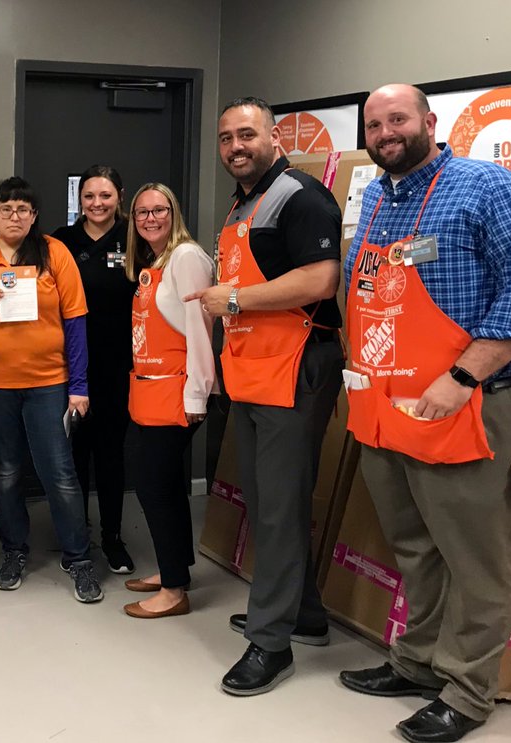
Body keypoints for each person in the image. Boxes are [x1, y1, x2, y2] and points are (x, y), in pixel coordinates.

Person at [338, 84, 511, 743]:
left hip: (474, 402)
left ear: (430, 120)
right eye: (375, 123)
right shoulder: (376, 200)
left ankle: (469, 691)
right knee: (415, 547)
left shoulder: (487, 186)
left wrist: (460, 376)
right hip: (388, 409)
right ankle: (416, 661)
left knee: (480, 560)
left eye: (398, 118)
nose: (386, 131)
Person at [186, 96, 343, 695]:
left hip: (295, 367)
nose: (235, 147)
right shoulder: (242, 204)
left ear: (274, 137)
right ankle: (301, 613)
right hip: (254, 371)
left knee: (277, 506)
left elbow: (321, 279)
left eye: (246, 135)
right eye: (226, 138)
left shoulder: (300, 197)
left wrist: (234, 300)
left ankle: (270, 643)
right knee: (269, 499)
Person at [0, 176, 102, 603]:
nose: (14, 216)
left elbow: (75, 322)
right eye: (6, 209)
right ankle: (13, 552)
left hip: (47, 383)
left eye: (23, 209)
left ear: (34, 216)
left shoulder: (55, 254)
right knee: (7, 471)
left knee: (59, 473)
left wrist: (79, 385)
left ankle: (77, 559)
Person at [120, 183, 215, 619]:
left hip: (177, 393)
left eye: (159, 210)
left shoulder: (187, 258)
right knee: (166, 487)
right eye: (141, 212)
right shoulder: (154, 262)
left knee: (156, 487)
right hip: (151, 390)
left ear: (173, 213)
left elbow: (200, 329)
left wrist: (198, 393)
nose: (150, 218)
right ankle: (172, 569)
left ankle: (174, 590)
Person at [50, 165, 136, 573]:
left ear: (120, 195)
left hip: (120, 364)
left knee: (111, 454)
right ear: (79, 199)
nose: (97, 204)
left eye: (105, 195)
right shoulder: (60, 241)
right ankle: (76, 534)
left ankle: (113, 537)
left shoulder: (136, 237)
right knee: (74, 453)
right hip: (70, 367)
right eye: (89, 196)